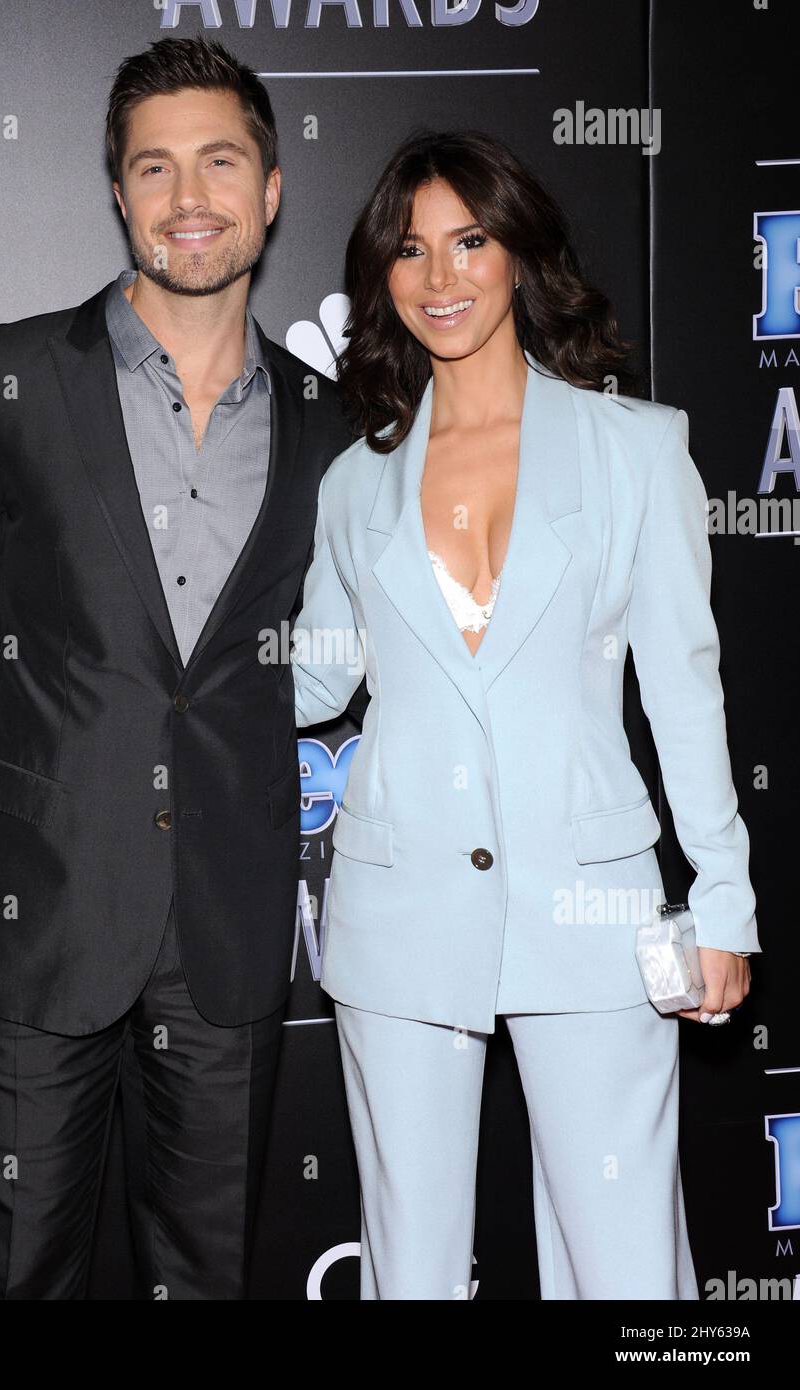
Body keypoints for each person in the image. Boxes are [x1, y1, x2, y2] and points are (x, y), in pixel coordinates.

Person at [0, 35, 362, 1299]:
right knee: (11, 1272)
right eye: (154, 167)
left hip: (229, 934)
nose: (187, 197)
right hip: (33, 933)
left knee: (207, 1277)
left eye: (217, 162)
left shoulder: (330, 423)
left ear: (269, 189)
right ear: (118, 191)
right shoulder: (7, 377)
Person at [290, 129, 759, 1300]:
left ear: (516, 255)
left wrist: (721, 901)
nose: (440, 277)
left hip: (591, 907)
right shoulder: (353, 483)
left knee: (626, 1266)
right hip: (396, 917)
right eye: (409, 250)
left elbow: (683, 691)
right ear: (380, 279)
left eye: (468, 240)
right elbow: (307, 681)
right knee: (408, 1266)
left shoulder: (633, 453)